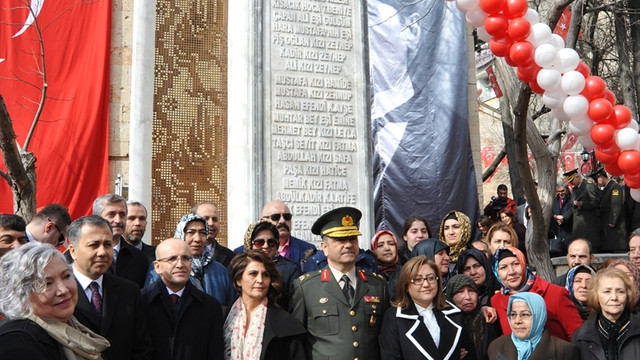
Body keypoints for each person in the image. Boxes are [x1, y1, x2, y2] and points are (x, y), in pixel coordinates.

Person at [290, 207, 389, 360]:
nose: (348, 245)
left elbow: (386, 338)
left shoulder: (378, 285)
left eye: (353, 239)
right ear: (325, 248)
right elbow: (296, 342)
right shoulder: (306, 288)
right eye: (340, 240)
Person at [0, 242, 109, 359]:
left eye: (66, 276)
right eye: (47, 284)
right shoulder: (18, 340)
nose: (63, 290)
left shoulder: (71, 323)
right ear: (21, 294)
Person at [68, 215, 153, 360]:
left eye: (107, 244)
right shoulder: (58, 292)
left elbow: (141, 347)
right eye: (94, 245)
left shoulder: (129, 292)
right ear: (73, 251)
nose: (102, 252)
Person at [379, 256, 475, 360]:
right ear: (406, 285)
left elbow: (470, 354)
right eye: (417, 279)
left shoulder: (453, 313)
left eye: (430, 278)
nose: (426, 284)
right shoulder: (394, 317)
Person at [142, 238, 224, 360]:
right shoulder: (140, 302)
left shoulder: (210, 307)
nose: (180, 265)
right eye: (172, 259)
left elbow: (215, 353)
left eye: (185, 258)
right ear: (157, 267)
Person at [225, 251, 307, 360]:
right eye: (253, 274)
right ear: (238, 280)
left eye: (265, 275)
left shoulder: (286, 323)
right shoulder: (221, 317)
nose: (260, 280)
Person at [491, 246, 582, 341]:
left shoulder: (555, 293)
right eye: (503, 267)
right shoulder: (496, 301)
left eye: (516, 264)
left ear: (524, 264)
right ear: (496, 273)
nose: (511, 271)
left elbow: (577, 336)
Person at [146, 213, 233, 306]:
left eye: (202, 233)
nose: (197, 239)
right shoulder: (162, 267)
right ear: (181, 234)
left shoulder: (220, 270)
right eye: (191, 232)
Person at [572, 267, 640, 359]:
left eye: (620, 291)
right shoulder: (582, 336)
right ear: (596, 296)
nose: (614, 297)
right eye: (607, 291)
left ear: (627, 295)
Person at [488, 292, 580, 360]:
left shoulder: (565, 351)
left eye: (525, 315)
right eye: (513, 315)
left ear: (539, 317)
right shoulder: (496, 347)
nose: (517, 321)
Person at [92, 194, 149, 287]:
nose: (118, 220)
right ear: (97, 218)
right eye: (111, 214)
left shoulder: (139, 258)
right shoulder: (80, 254)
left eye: (122, 215)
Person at [242, 220, 301, 310]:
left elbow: (296, 305)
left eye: (271, 242)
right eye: (259, 242)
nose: (266, 246)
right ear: (250, 244)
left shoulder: (290, 269)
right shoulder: (241, 266)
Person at [446, 274, 500, 360]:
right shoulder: (447, 324)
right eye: (460, 292)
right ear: (450, 296)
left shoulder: (489, 319)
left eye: (471, 291)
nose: (467, 297)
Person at [260, 200, 316, 265]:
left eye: (287, 216)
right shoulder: (249, 250)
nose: (282, 221)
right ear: (263, 221)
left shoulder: (308, 250)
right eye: (275, 217)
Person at [560, 169, 602, 252]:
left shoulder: (588, 186)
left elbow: (596, 202)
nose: (571, 183)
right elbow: (573, 207)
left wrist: (583, 204)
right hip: (578, 226)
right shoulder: (575, 189)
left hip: (588, 225)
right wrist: (563, 217)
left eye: (572, 180)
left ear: (578, 177)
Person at [591, 167, 627, 252]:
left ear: (601, 177)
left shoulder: (614, 187)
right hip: (606, 223)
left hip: (614, 226)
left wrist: (612, 221)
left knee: (615, 247)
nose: (597, 183)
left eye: (597, 180)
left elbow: (616, 205)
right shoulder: (607, 188)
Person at [192, 201, 235, 267]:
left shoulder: (231, 257)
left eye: (215, 219)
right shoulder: (180, 253)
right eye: (206, 219)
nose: (211, 223)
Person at [369, 229, 402, 299]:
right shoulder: (368, 274)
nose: (387, 248)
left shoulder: (405, 273)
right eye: (380, 245)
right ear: (374, 250)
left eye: (391, 244)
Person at [551, 182, 573, 250]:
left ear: (567, 189)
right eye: (558, 191)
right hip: (558, 232)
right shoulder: (554, 201)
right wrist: (556, 218)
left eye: (562, 191)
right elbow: (552, 212)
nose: (560, 193)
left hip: (570, 231)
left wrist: (563, 218)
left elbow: (573, 212)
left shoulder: (571, 199)